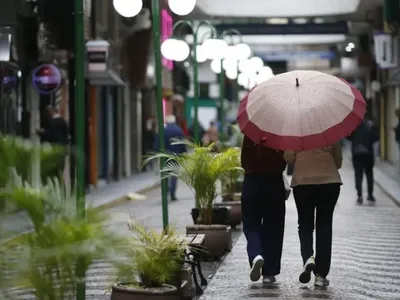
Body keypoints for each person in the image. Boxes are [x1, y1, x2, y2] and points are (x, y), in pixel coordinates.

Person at [284, 143, 342, 287]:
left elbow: (289, 157)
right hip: (329, 182)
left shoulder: (296, 130)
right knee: (324, 226)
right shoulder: (329, 127)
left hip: (303, 182)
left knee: (305, 224)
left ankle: (308, 257)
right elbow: (338, 161)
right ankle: (321, 275)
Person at [241, 136, 286, 284]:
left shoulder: (250, 134)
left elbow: (243, 161)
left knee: (251, 224)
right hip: (274, 183)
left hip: (252, 182)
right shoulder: (279, 134)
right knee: (274, 227)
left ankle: (256, 255)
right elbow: (283, 161)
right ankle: (269, 273)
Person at [348, 118, 379, 204]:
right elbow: (375, 141)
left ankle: (359, 195)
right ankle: (370, 195)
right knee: (369, 175)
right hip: (368, 154)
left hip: (357, 154)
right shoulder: (371, 125)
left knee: (358, 175)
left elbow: (349, 139)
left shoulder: (353, 125)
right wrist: (375, 156)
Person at [37, 106, 69, 180]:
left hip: (55, 148)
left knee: (55, 169)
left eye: (47, 113)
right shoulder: (63, 121)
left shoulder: (52, 122)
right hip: (63, 149)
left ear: (50, 112)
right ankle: (61, 182)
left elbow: (49, 135)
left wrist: (41, 133)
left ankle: (57, 182)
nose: (47, 116)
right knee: (61, 168)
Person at [159, 115, 186, 201]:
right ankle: (172, 194)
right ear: (174, 121)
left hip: (165, 155)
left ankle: (165, 191)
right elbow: (182, 143)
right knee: (174, 175)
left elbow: (158, 142)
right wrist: (183, 153)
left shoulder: (163, 130)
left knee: (165, 174)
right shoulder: (178, 130)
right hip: (175, 155)